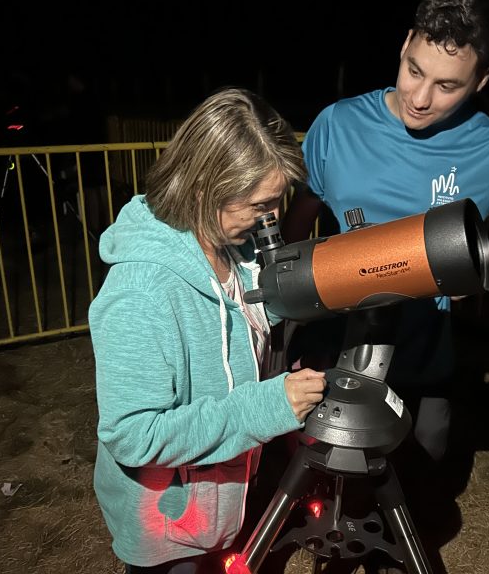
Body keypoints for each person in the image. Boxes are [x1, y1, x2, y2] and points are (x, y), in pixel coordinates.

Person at [280, 0, 489, 570]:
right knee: (325, 468)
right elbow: (304, 210)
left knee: (419, 471)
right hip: (342, 332)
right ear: (403, 46)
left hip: (424, 346)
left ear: (481, 80)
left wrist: (482, 265)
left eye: (447, 86)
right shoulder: (338, 124)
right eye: (414, 70)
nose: (421, 99)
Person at [88, 87, 327, 574]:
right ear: (204, 189)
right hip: (170, 528)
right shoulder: (141, 292)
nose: (273, 218)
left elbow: (244, 313)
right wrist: (268, 407)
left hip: (226, 497)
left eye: (276, 201)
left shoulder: (227, 246)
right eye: (259, 205)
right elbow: (133, 435)